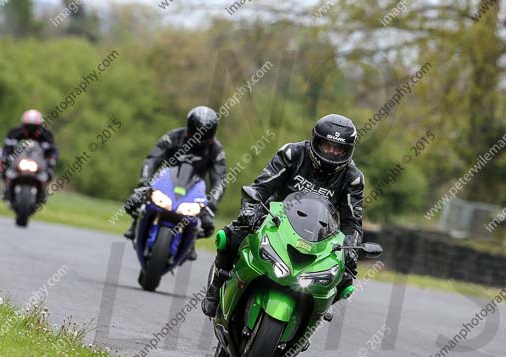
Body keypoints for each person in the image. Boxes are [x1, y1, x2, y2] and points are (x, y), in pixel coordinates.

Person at [201, 113, 365, 318]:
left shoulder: (353, 178)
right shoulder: (292, 153)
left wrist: (351, 248)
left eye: (338, 148)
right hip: (274, 217)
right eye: (326, 145)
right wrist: (250, 210)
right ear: (316, 141)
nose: (332, 152)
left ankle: (312, 316)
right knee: (231, 235)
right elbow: (260, 187)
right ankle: (217, 285)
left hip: (320, 234)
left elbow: (352, 222)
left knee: (346, 278)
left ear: (348, 150)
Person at [123, 106, 227, 253]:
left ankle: (190, 242)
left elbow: (220, 180)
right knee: (138, 199)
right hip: (166, 182)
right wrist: (144, 183)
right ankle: (136, 224)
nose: (198, 141)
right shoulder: (173, 136)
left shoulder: (216, 150)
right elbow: (151, 160)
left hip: (194, 189)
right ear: (189, 128)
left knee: (206, 224)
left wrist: (211, 205)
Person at [0, 110, 58, 204]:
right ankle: (6, 189)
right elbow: (6, 147)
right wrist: (5, 157)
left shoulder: (46, 135)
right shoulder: (15, 132)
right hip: (18, 161)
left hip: (38, 162)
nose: (31, 129)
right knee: (4, 169)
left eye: (35, 127)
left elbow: (53, 151)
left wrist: (52, 159)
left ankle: (43, 192)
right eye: (29, 126)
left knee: (49, 172)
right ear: (23, 124)